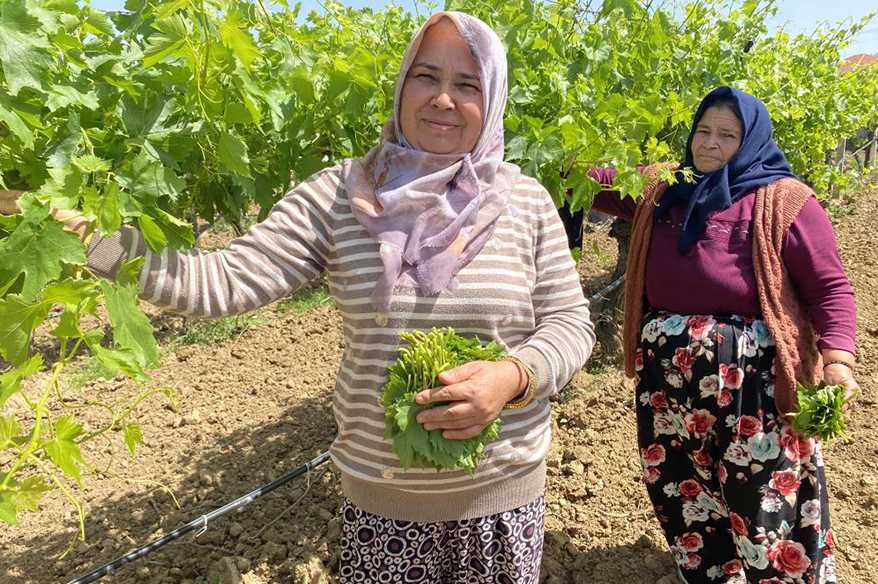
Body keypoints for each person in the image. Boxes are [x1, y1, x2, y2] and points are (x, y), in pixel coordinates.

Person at [0, 12, 594, 583]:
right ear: (401, 85)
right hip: (383, 506)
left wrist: (512, 377)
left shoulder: (526, 201)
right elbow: (223, 279)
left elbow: (569, 322)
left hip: (503, 498)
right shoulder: (340, 196)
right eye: (426, 76)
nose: (444, 99)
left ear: (491, 98)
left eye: (467, 84)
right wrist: (88, 241)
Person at [590, 86, 858, 584]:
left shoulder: (784, 200)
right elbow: (593, 180)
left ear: (751, 139)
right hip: (667, 384)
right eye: (703, 131)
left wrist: (838, 360)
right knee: (680, 486)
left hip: (753, 389)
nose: (709, 144)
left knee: (764, 495)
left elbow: (830, 286)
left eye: (727, 135)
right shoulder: (666, 187)